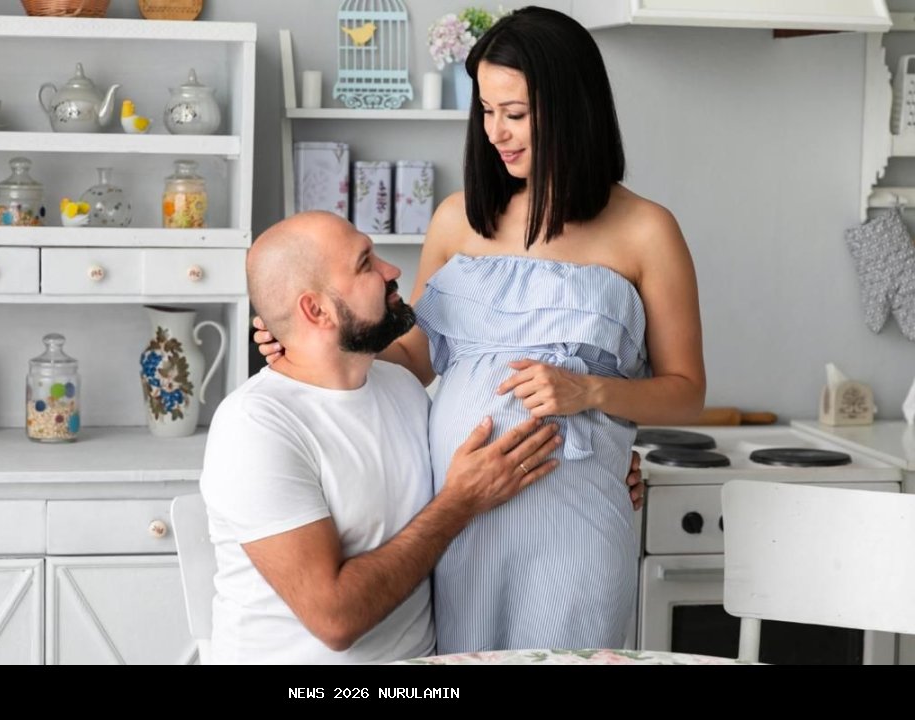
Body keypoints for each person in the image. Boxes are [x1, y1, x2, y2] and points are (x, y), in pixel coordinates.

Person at [257, 7, 704, 654]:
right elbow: (413, 355)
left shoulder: (646, 231)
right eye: (487, 111)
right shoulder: (458, 219)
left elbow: (687, 392)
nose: (496, 132)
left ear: (571, 110)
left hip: (574, 531)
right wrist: (309, 346)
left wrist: (590, 392)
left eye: (514, 113)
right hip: (460, 521)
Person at [202, 211, 643, 664]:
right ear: (316, 310)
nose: (392, 271)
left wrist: (602, 462)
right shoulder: (255, 427)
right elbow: (336, 620)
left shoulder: (402, 389)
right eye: (365, 264)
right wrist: (460, 502)